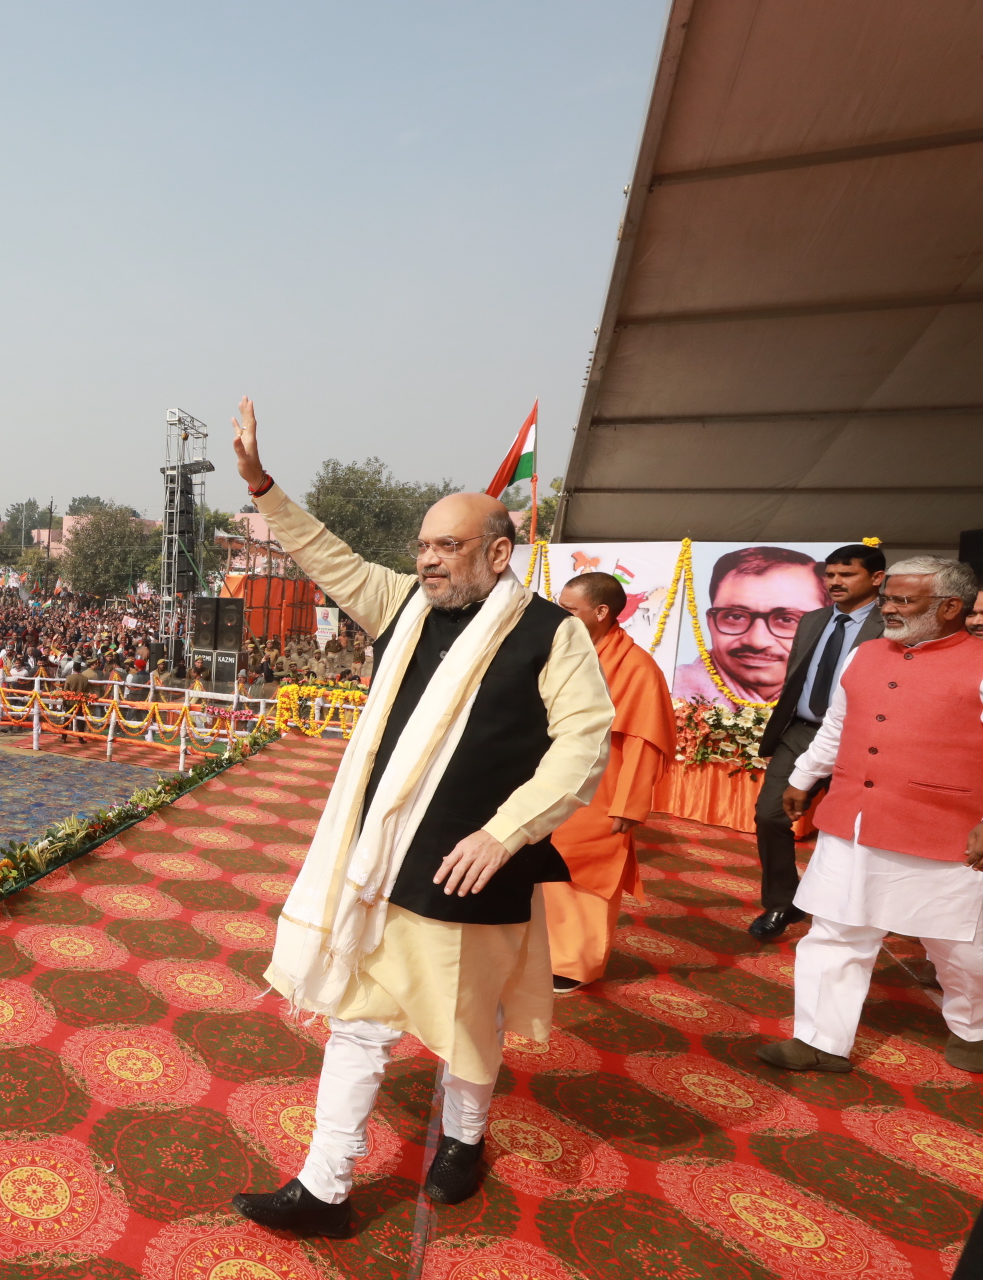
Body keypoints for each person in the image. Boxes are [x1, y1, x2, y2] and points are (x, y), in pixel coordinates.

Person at [225, 398, 613, 1235]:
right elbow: (326, 556)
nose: (429, 560)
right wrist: (261, 484)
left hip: (474, 865)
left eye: (449, 546)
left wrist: (506, 833)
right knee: (357, 1022)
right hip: (379, 859)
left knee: (469, 1025)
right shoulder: (402, 604)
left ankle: (465, 1140)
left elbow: (584, 745)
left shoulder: (552, 634)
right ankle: (325, 1187)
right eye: (425, 545)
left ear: (499, 552)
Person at [755, 557, 983, 1074]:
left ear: (950, 608)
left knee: (958, 944)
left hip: (944, 827)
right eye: (889, 599)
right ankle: (818, 1040)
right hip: (853, 819)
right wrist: (802, 777)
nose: (890, 609)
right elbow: (837, 724)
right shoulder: (866, 654)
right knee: (834, 931)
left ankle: (974, 1030)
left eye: (904, 601)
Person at [747, 544, 887, 940]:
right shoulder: (812, 620)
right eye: (830, 575)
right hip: (802, 734)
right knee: (770, 816)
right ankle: (782, 903)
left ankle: (854, 913)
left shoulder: (890, 623)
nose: (835, 582)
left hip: (864, 741)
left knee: (852, 831)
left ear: (877, 578)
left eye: (847, 575)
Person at [546, 573, 674, 992]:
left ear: (601, 612)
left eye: (569, 610)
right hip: (552, 779)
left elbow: (646, 741)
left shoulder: (637, 667)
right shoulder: (562, 650)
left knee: (587, 874)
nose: (558, 616)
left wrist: (629, 805)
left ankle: (575, 964)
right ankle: (544, 953)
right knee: (544, 871)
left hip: (602, 792)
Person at [672, 546, 828, 708]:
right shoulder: (669, 689)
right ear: (710, 622)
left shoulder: (840, 690)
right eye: (736, 616)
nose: (757, 641)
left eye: (786, 619)